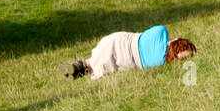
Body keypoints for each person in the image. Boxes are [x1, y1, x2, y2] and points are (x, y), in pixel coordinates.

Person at [62, 26, 196, 79]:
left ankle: (77, 67)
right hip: (129, 61)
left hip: (123, 42)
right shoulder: (162, 62)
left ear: (177, 40)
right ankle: (79, 70)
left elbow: (149, 32)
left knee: (95, 59)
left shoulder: (162, 32)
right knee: (102, 65)